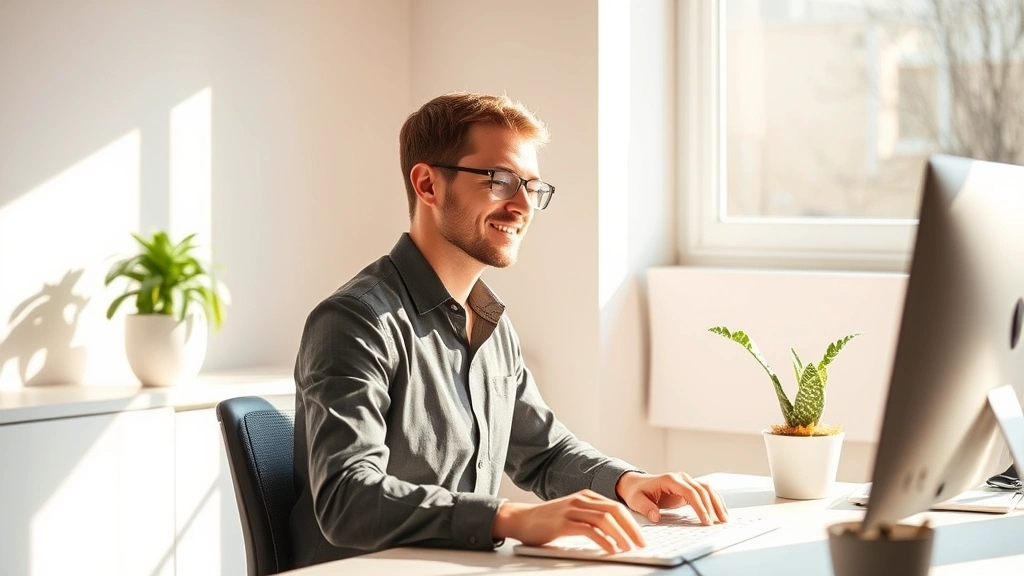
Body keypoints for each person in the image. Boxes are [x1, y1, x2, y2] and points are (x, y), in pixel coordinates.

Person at [290, 92, 729, 568]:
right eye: (500, 180)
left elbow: (544, 452)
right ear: (427, 184)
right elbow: (348, 499)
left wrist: (627, 482)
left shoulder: (492, 326)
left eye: (532, 187)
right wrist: (510, 518)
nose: (522, 205)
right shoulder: (355, 322)